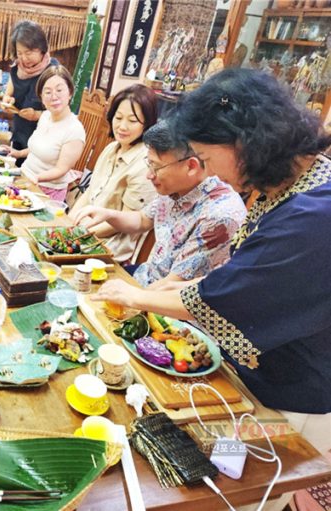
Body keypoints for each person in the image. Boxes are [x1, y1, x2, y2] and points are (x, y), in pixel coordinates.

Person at [93, 69, 331, 437]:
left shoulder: (311, 215)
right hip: (262, 374)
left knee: (243, 469)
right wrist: (168, 290)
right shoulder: (299, 184)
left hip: (294, 392)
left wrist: (136, 296)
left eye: (204, 157)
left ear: (242, 143)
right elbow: (251, 273)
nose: (208, 171)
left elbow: (231, 294)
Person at [75, 120, 246, 288]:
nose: (149, 175)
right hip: (145, 277)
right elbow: (142, 220)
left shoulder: (219, 217)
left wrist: (126, 294)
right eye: (149, 164)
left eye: (156, 167)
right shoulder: (176, 187)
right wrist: (109, 215)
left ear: (191, 166)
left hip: (164, 298)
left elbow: (173, 286)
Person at [71, 84, 159, 263]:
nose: (122, 126)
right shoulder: (111, 148)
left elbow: (122, 223)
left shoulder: (144, 164)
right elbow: (90, 193)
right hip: (82, 234)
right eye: (118, 118)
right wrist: (69, 221)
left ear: (147, 124)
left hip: (107, 248)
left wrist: (79, 234)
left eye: (132, 121)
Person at [8, 65, 85, 201]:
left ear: (70, 93)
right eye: (48, 92)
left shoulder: (75, 130)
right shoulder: (45, 116)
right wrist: (18, 153)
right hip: (24, 179)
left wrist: (37, 178)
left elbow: (61, 169)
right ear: (41, 97)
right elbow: (39, 148)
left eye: (59, 90)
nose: (54, 96)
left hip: (47, 192)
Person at [1, 20, 58, 165]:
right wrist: (7, 102)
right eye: (19, 53)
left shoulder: (53, 72)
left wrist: (37, 115)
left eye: (29, 52)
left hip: (42, 145)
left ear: (41, 49)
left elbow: (60, 113)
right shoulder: (17, 68)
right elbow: (8, 95)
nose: (24, 58)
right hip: (19, 134)